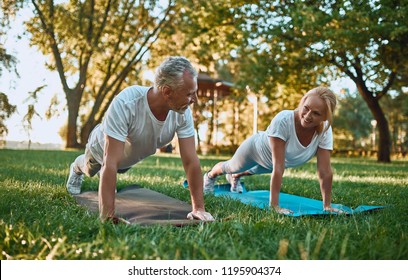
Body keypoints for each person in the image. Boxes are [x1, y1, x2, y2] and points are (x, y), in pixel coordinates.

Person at [66, 56, 214, 223]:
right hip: (101, 150)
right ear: (166, 91)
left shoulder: (182, 112)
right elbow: (109, 162)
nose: (194, 100)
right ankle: (76, 167)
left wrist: (199, 209)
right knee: (91, 168)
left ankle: (105, 176)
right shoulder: (127, 102)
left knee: (118, 169)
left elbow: (191, 161)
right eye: (189, 94)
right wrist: (107, 216)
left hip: (127, 158)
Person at [203, 86, 343, 214]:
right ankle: (210, 176)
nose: (307, 115)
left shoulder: (324, 130)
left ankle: (235, 178)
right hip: (255, 150)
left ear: (325, 117)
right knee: (232, 166)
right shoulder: (284, 120)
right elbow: (278, 167)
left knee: (249, 171)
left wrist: (327, 206)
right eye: (306, 108)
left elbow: (324, 171)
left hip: (272, 163)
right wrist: (274, 206)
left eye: (316, 113)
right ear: (302, 103)